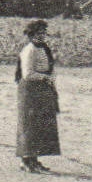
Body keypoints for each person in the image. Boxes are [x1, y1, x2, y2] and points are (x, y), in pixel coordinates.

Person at [14, 20, 61, 173]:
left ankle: (34, 160)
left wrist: (50, 77)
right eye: (38, 33)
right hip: (30, 90)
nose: (41, 36)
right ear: (31, 35)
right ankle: (27, 161)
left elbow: (49, 67)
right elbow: (27, 74)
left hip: (41, 89)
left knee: (39, 125)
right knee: (30, 125)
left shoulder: (44, 48)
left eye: (43, 33)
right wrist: (45, 78)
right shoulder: (29, 50)